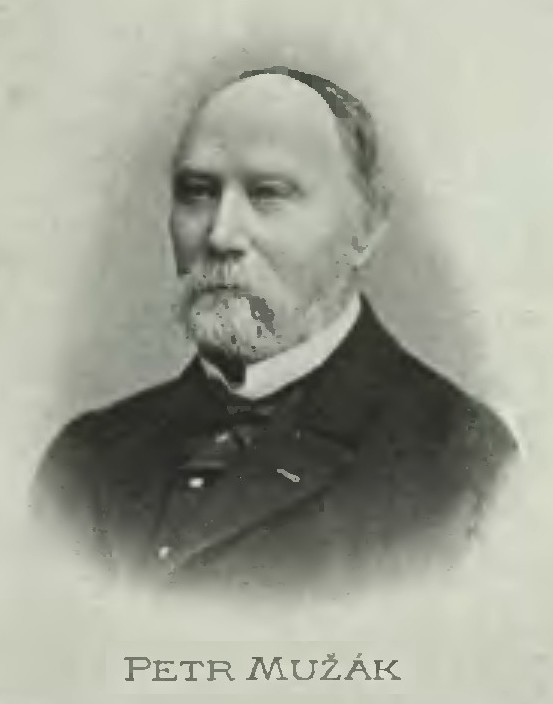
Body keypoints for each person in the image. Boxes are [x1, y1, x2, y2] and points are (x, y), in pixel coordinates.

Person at [32, 66, 517, 592]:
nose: (220, 235)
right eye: (196, 192)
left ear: (366, 227)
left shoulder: (461, 468)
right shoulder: (83, 461)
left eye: (268, 194)